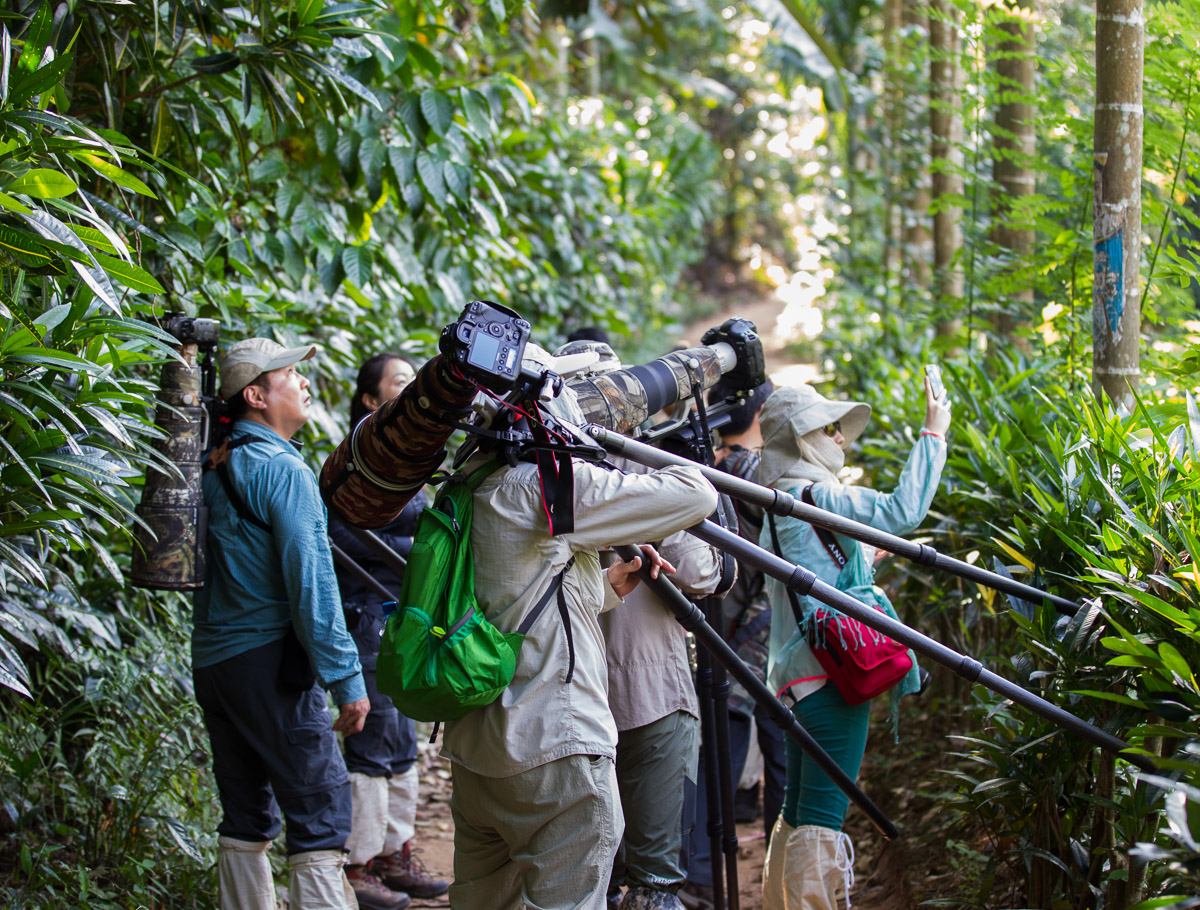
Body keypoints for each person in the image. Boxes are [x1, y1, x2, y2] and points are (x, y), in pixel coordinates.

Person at [441, 356, 721, 910]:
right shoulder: (548, 485)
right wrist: (621, 443)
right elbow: (696, 495)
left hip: (477, 749)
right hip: (555, 747)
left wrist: (607, 586)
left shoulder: (468, 482)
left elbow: (516, 594)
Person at [756, 378, 950, 910]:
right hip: (832, 677)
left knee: (797, 812)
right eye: (828, 429)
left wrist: (861, 560)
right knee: (822, 820)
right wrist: (933, 434)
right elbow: (902, 512)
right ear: (801, 439)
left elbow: (811, 572)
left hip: (796, 677)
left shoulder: (778, 504)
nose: (840, 438)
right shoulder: (818, 496)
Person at [192, 338, 369, 910]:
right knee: (319, 807)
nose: (304, 382)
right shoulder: (282, 471)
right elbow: (312, 586)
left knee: (245, 814)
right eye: (290, 373)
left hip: (215, 665)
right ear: (255, 396)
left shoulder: (216, 463)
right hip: (268, 664)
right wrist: (346, 679)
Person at [329, 353, 449, 910]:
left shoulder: (408, 455)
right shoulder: (355, 460)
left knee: (400, 739)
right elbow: (342, 539)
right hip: (366, 618)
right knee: (373, 741)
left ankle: (394, 855)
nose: (411, 389)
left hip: (401, 619)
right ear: (370, 400)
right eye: (399, 382)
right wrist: (422, 549)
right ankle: (357, 865)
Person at [599, 465, 725, 910]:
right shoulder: (648, 473)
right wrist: (656, 498)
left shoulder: (534, 464)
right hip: (644, 691)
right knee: (647, 880)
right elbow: (702, 572)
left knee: (595, 879)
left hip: (591, 690)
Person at [682, 377, 785, 910]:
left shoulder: (702, 466)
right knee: (782, 757)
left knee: (714, 759)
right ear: (762, 414)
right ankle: (783, 876)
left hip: (715, 633)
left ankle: (700, 872)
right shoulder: (760, 473)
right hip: (765, 640)